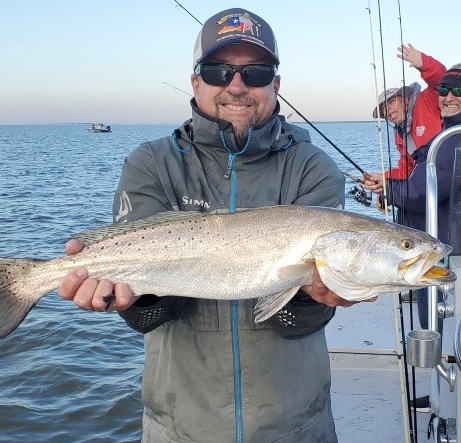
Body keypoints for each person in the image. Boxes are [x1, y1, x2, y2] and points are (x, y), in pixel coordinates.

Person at [57, 8, 364, 442]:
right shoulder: (150, 163)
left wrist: (317, 297)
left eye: (255, 72)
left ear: (276, 86)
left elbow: (294, 320)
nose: (236, 85)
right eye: (219, 70)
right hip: (178, 427)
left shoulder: (312, 167)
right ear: (196, 81)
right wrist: (130, 297)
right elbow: (150, 317)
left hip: (295, 426)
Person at [374, 65, 461, 412]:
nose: (449, 97)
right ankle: (441, 392)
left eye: (457, 90)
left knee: (438, 323)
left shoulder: (452, 139)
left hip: (447, 249)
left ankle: (445, 398)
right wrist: (390, 185)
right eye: (444, 90)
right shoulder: (446, 136)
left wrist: (390, 191)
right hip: (442, 242)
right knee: (436, 321)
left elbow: (425, 189)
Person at [364, 44, 446, 191]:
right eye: (383, 108)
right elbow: (407, 170)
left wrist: (424, 64)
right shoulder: (399, 134)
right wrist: (383, 178)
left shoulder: (426, 100)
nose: (387, 108)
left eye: (392, 102)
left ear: (406, 100)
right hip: (432, 185)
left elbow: (442, 82)